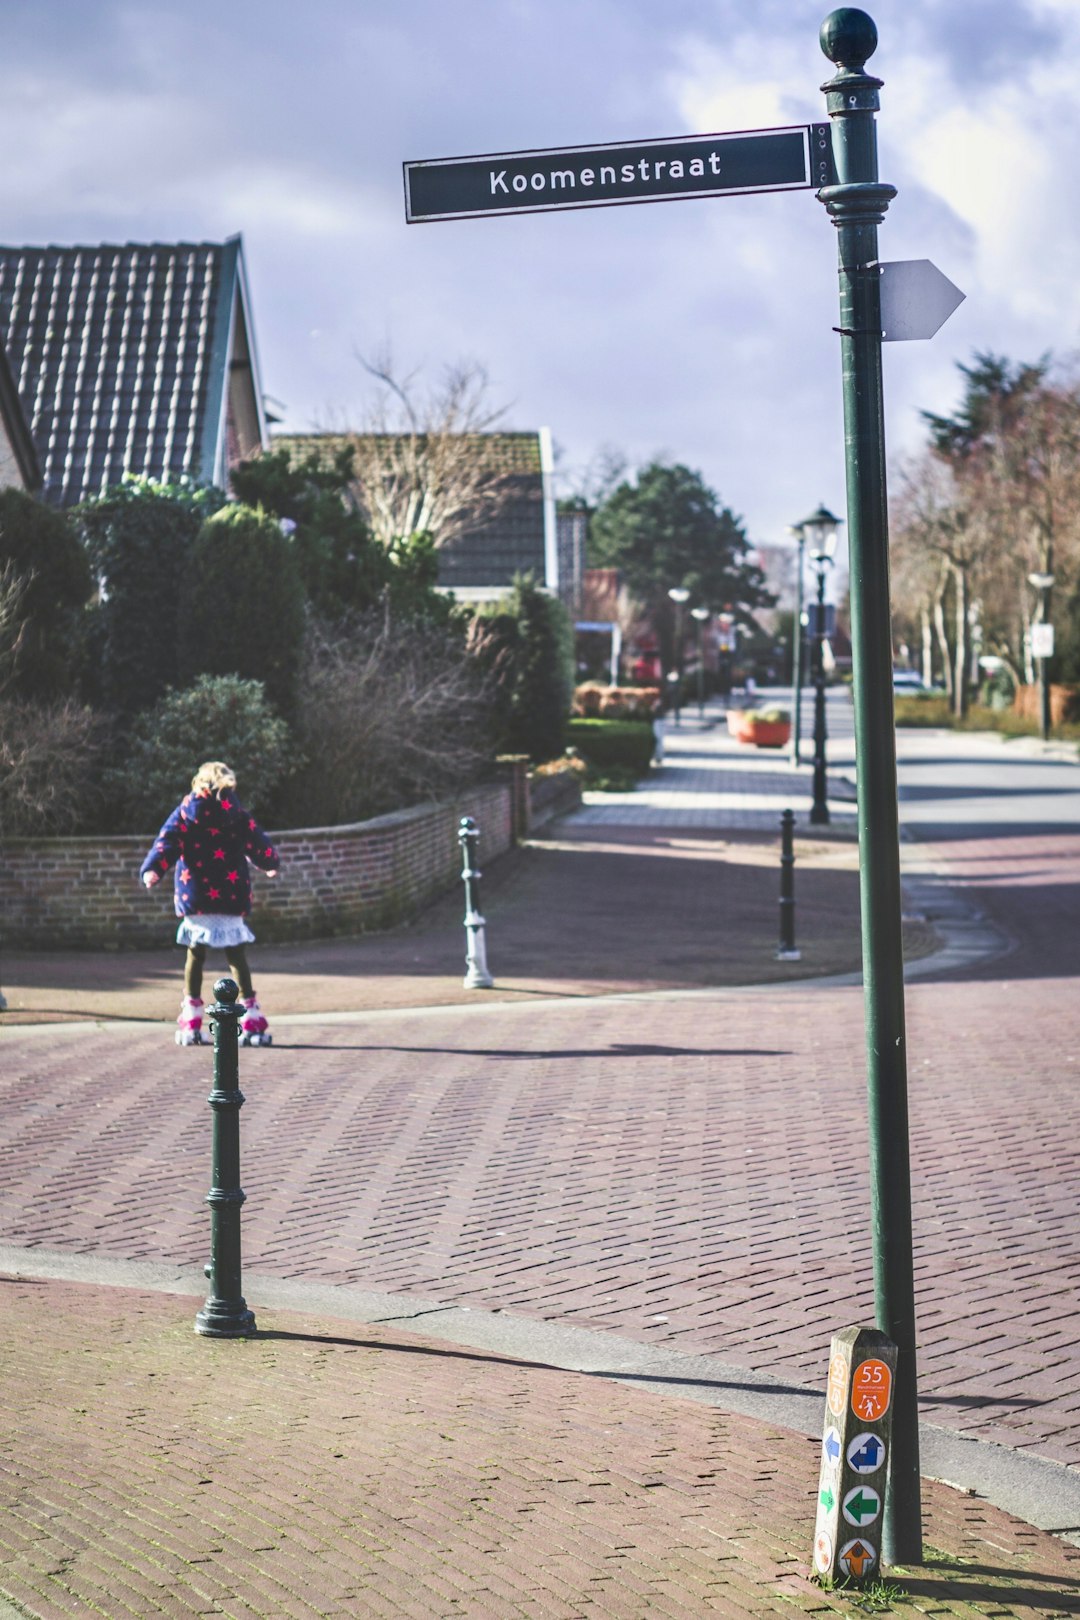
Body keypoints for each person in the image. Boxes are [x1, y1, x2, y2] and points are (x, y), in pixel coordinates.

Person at [139, 761, 280, 1047]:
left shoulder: (185, 813)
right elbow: (257, 841)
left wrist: (153, 870)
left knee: (195, 954)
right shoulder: (238, 815)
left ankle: (191, 1019)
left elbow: (166, 842)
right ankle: (250, 1017)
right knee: (236, 955)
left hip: (196, 894)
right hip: (231, 893)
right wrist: (269, 863)